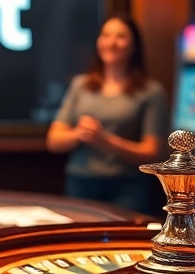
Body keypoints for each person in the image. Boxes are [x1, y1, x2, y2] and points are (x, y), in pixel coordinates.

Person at [47, 14, 168, 214]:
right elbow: (54, 140)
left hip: (126, 187)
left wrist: (106, 140)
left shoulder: (151, 91)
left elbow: (152, 153)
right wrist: (79, 134)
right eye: (105, 35)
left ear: (134, 46)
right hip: (80, 183)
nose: (111, 43)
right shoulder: (81, 85)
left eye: (120, 37)